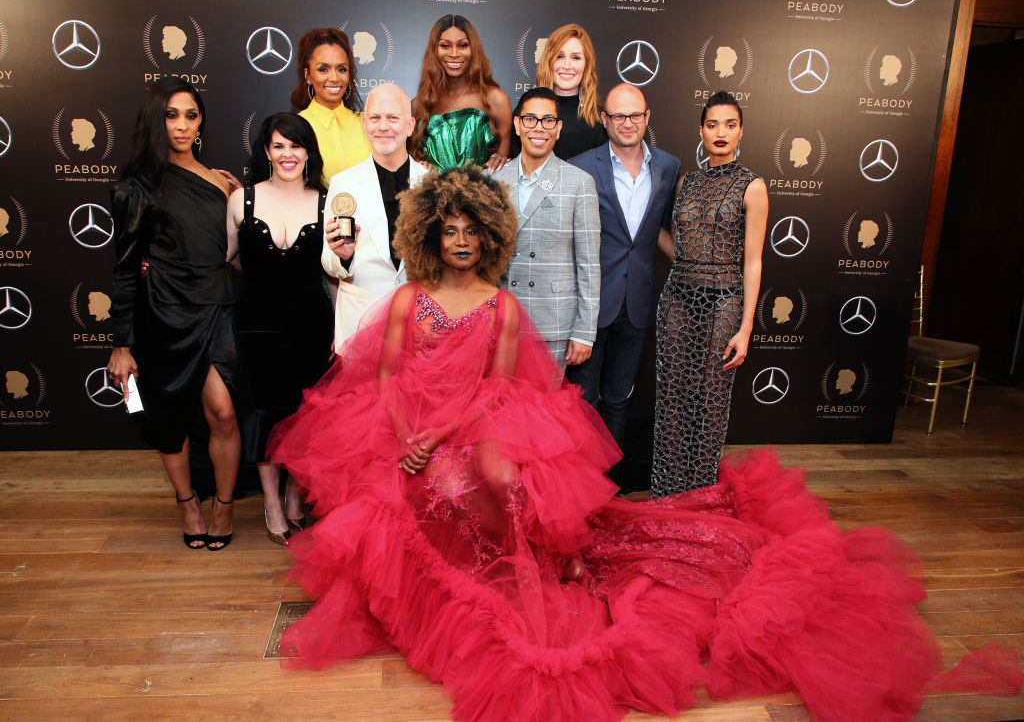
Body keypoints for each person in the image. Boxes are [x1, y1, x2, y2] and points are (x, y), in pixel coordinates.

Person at [267, 167, 1018, 722]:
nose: (459, 240)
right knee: (435, 492)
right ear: (429, 234)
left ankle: (525, 571)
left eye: (471, 230)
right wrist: (409, 439)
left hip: (472, 421)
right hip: (407, 429)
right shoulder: (404, 299)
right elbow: (391, 379)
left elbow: (495, 392)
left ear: (488, 237)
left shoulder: (500, 305)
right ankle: (468, 587)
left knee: (502, 480)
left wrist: (444, 433)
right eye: (448, 230)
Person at [106, 77, 239, 550]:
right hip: (163, 315)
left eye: (191, 115)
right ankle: (187, 503)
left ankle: (223, 506)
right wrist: (121, 345)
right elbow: (124, 269)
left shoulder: (222, 182)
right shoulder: (136, 187)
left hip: (218, 309)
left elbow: (235, 253)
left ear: (201, 121)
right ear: (155, 119)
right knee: (169, 419)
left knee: (223, 413)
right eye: (172, 115)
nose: (183, 125)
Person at [651, 91, 768, 497]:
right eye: (713, 124)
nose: (721, 133)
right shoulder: (685, 181)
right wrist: (641, 232)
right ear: (701, 130)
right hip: (678, 297)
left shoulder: (752, 186)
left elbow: (752, 261)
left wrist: (747, 326)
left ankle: (701, 495)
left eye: (730, 125)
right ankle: (667, 491)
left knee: (710, 400)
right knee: (672, 397)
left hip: (724, 301)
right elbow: (677, 244)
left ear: (741, 132)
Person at [225, 113, 333, 545]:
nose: (288, 154)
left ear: (308, 153)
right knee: (263, 415)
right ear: (265, 152)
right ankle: (271, 502)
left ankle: (293, 494)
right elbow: (226, 260)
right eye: (278, 146)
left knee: (304, 416)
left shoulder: (328, 201)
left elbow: (335, 272)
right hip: (255, 326)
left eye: (296, 145)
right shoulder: (241, 201)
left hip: (312, 326)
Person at [567, 83, 680, 462]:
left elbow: (662, 230)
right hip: (591, 304)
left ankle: (609, 486)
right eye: (618, 115)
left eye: (635, 115)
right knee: (582, 403)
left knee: (618, 399)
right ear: (604, 118)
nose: (627, 123)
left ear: (647, 117)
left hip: (637, 304)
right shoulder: (581, 166)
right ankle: (580, 489)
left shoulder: (668, 166)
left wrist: (695, 265)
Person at [493, 86, 600, 368]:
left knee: (544, 411)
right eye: (530, 119)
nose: (538, 128)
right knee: (501, 409)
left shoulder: (579, 183)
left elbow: (589, 264)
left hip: (553, 325)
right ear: (516, 124)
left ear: (558, 127)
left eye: (548, 120)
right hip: (501, 323)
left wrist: (585, 332)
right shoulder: (493, 181)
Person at [321, 84, 429, 351]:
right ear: (364, 125)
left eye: (393, 118)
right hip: (359, 325)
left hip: (419, 326)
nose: (383, 126)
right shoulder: (343, 183)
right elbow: (329, 261)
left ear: (410, 125)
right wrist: (343, 256)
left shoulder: (432, 184)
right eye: (375, 118)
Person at [410, 14, 511, 173]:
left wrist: (498, 160)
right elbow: (411, 168)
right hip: (429, 196)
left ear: (474, 49)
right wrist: (421, 167)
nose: (454, 53)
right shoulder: (418, 106)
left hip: (481, 197)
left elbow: (502, 171)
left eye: (463, 45)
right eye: (445, 45)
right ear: (434, 50)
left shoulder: (495, 100)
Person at [510, 23, 607, 160]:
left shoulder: (600, 119)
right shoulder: (525, 112)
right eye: (559, 56)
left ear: (587, 64)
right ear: (549, 61)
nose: (567, 66)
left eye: (576, 57)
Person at [291, 28, 371, 181]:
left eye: (341, 69)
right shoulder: (296, 128)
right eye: (323, 69)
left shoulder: (369, 123)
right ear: (307, 75)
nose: (334, 78)